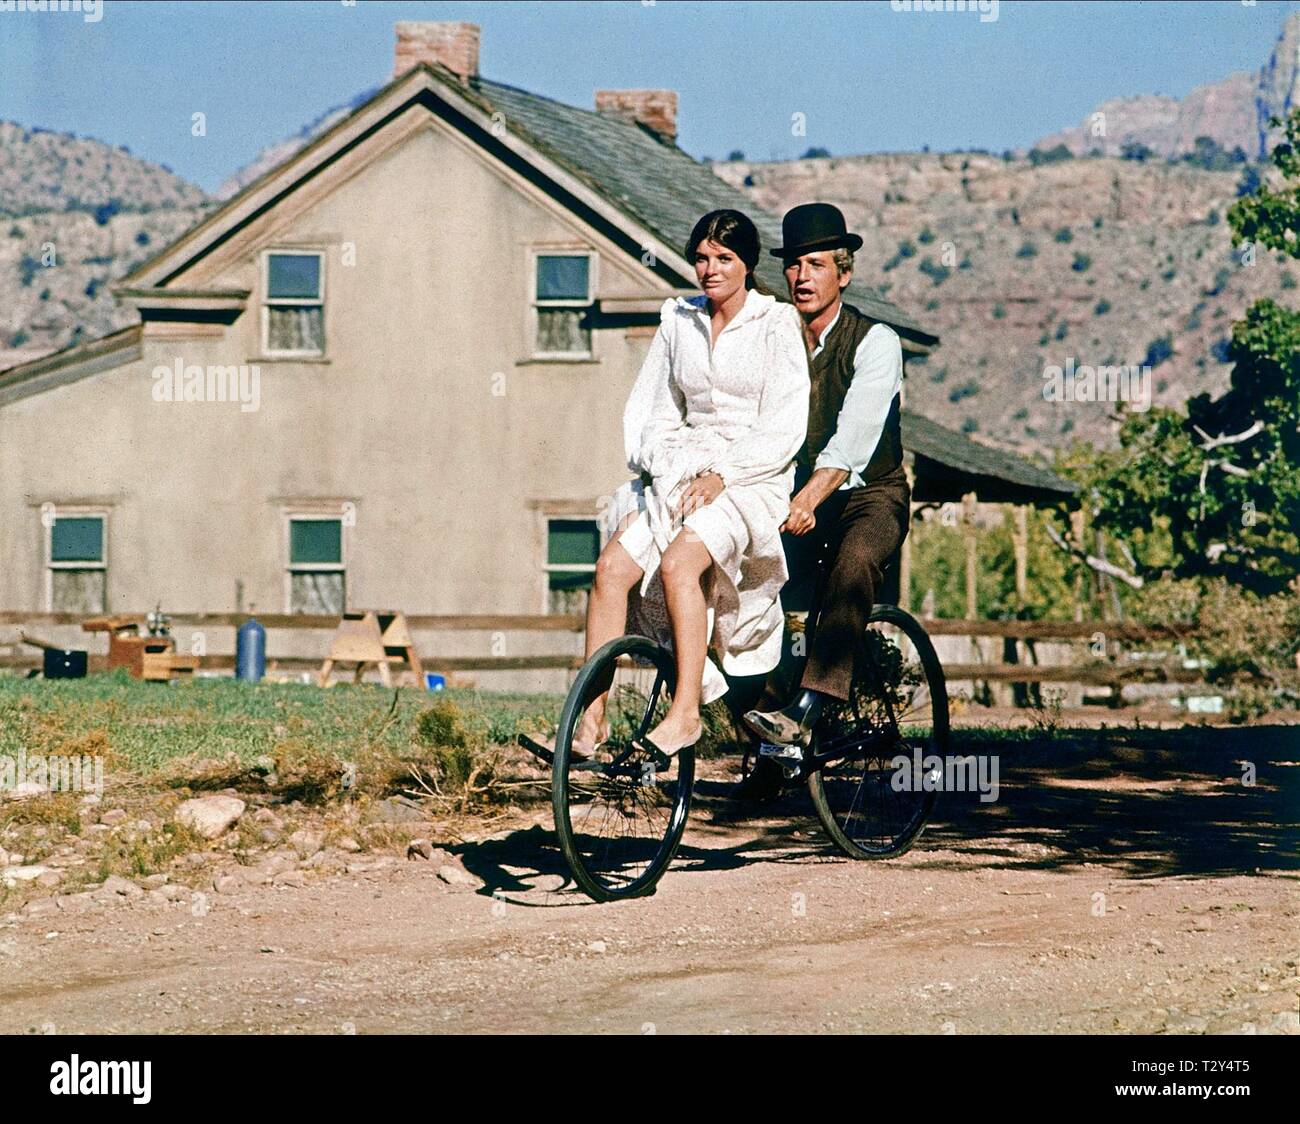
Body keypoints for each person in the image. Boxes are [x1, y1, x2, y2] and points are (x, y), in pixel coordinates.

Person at [526, 208, 810, 764]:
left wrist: (722, 474)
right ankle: (591, 721)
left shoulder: (775, 324)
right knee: (610, 569)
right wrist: (668, 467)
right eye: (702, 258)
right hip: (680, 473)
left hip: (751, 478)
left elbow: (785, 422)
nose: (710, 269)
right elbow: (653, 411)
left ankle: (686, 715)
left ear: (748, 264)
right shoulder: (678, 320)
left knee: (682, 563)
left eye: (724, 258)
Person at [738, 202, 912, 786]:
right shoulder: (776, 339)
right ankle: (761, 732)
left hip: (869, 494)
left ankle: (811, 705)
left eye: (817, 264)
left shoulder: (876, 342)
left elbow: (854, 437)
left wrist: (811, 497)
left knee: (854, 561)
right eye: (794, 266)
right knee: (748, 586)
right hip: (793, 495)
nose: (803, 277)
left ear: (844, 272)